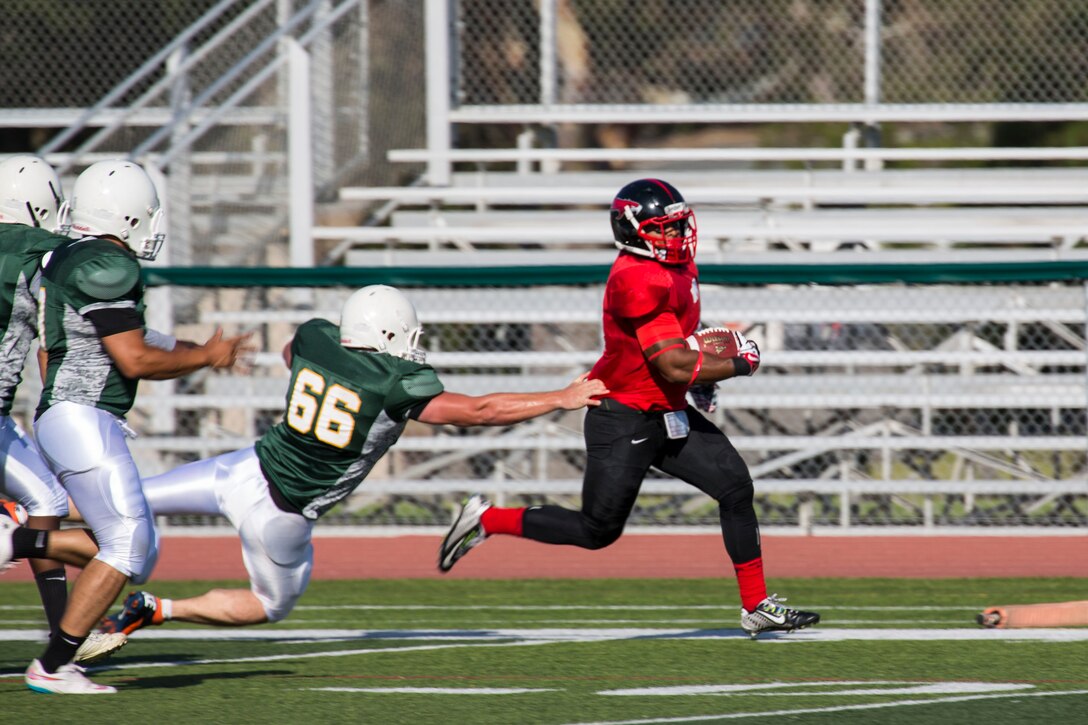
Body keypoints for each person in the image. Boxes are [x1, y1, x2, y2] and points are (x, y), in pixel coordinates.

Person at [13, 286, 605, 650]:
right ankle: (160, 609)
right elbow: (476, 410)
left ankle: (22, 527)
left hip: (239, 467)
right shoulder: (398, 381)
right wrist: (559, 397)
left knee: (122, 505)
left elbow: (292, 352)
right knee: (270, 605)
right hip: (282, 513)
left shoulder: (320, 337)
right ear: (392, 335)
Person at [438, 178, 820, 638]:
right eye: (664, 227)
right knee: (597, 530)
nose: (677, 235)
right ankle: (486, 519)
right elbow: (674, 363)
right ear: (633, 230)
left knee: (735, 487)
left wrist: (701, 379)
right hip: (622, 415)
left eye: (679, 224)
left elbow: (681, 349)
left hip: (665, 409)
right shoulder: (636, 277)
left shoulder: (676, 266)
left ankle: (756, 606)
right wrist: (737, 364)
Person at [4, 159, 251, 695]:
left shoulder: (64, 257)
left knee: (134, 550)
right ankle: (52, 662)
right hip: (82, 416)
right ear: (131, 215)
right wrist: (206, 356)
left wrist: (204, 353)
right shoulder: (106, 264)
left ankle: (19, 540)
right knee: (127, 544)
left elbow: (70, 346)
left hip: (68, 415)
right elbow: (135, 358)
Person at [0, 155, 127, 665]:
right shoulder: (45, 252)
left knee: (46, 498)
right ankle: (62, 637)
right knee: (43, 504)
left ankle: (63, 633)